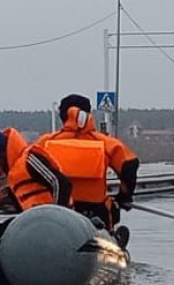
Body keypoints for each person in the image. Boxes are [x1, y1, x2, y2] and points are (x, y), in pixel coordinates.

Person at [36, 94, 140, 233]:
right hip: (96, 213)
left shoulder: (45, 143)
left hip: (56, 213)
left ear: (62, 117)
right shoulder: (105, 143)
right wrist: (124, 195)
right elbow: (129, 165)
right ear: (88, 114)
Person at [0, 127, 71, 213]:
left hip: (49, 221)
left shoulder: (30, 160)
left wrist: (56, 217)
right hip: (30, 221)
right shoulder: (9, 172)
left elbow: (61, 183)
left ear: (1, 154)